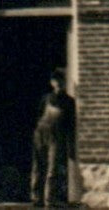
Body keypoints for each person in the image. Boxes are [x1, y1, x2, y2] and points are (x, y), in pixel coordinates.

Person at [30, 68, 78, 206]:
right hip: (40, 135)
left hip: (56, 138)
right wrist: (37, 134)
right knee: (37, 167)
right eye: (55, 81)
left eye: (61, 81)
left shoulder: (69, 102)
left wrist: (71, 146)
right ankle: (36, 198)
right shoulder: (45, 99)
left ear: (64, 83)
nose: (58, 84)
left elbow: (71, 125)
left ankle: (49, 200)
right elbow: (38, 116)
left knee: (52, 170)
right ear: (52, 83)